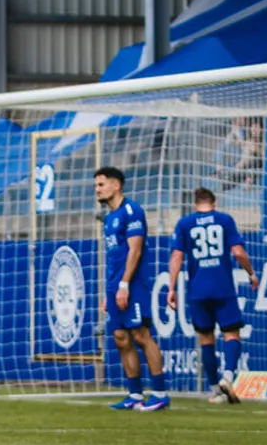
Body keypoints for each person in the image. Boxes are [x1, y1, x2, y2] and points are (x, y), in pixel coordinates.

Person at [168, 187, 258, 403]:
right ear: (214, 202)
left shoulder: (184, 223)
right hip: (223, 287)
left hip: (198, 291)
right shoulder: (225, 220)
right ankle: (228, 377)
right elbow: (238, 252)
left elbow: (177, 256)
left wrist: (171, 288)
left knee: (206, 338)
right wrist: (251, 273)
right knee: (231, 333)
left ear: (195, 204)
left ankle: (215, 389)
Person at [96, 166, 169, 411]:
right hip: (115, 286)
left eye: (101, 184)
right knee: (120, 338)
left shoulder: (132, 211)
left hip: (133, 284)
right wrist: (108, 292)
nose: (97, 189)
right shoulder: (109, 218)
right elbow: (112, 257)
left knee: (140, 335)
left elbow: (135, 251)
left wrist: (125, 284)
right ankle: (135, 395)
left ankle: (159, 393)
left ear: (116, 185)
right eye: (96, 185)